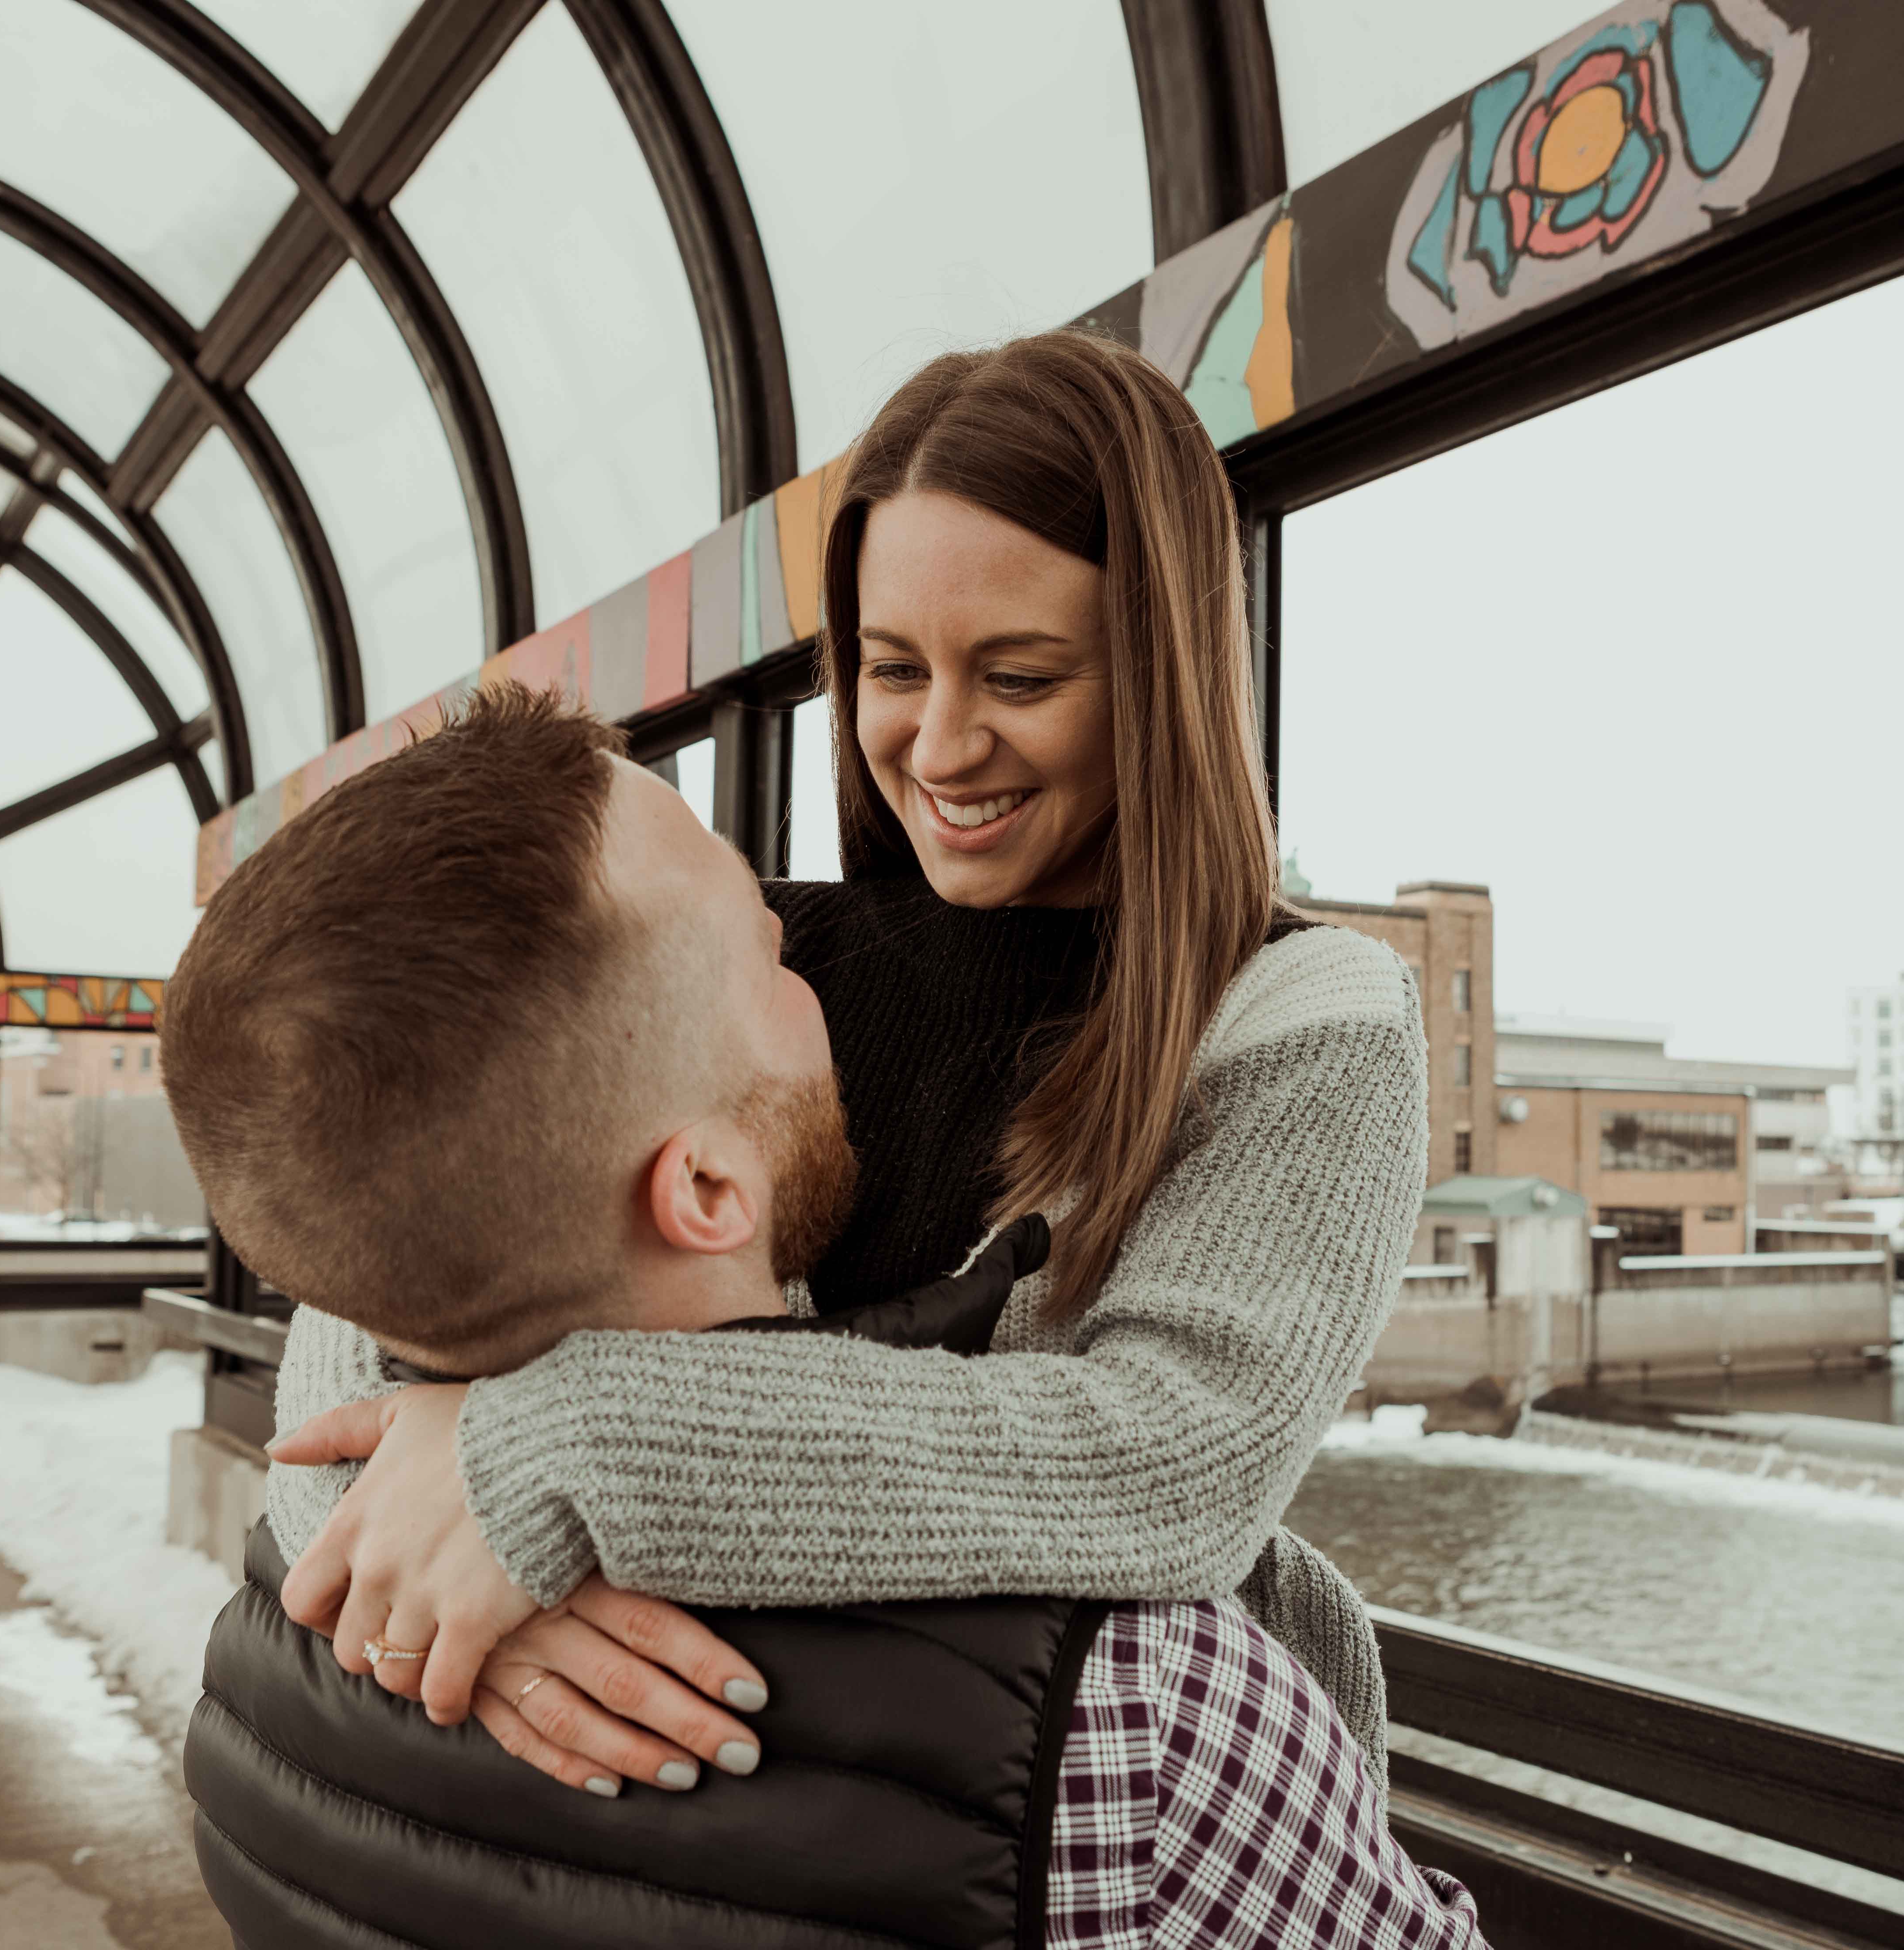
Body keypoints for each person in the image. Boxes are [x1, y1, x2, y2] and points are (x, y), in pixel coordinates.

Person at [162, 686, 1508, 1950]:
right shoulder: (1146, 1729)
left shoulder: (276, 1645)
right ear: (702, 1187)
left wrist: (505, 1451)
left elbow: (364, 1188)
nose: (823, 971)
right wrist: (555, 1453)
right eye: (767, 950)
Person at [268, 328, 1429, 1805]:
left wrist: (543, 1455)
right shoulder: (751, 948)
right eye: (891, 669)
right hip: (720, 1842)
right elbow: (364, 1253)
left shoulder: (1300, 1015)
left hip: (1072, 1839)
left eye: (1018, 674)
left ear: (1168, 668)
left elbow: (1175, 1462)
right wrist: (437, 1590)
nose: (939, 744)